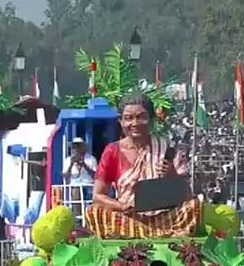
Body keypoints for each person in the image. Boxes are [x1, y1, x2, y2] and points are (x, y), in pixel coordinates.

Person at [86, 93, 201, 238]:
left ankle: (147, 233)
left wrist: (172, 176)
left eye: (141, 117)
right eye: (128, 118)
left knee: (195, 206)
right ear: (120, 122)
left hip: (164, 217)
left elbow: (187, 194)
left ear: (151, 120)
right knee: (94, 211)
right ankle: (158, 234)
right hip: (128, 218)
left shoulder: (165, 147)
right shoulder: (112, 151)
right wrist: (121, 207)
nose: (135, 123)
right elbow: (98, 195)